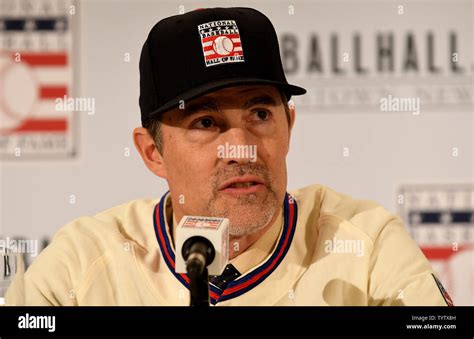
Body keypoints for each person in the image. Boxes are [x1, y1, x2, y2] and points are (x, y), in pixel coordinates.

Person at [5, 7, 452, 306]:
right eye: (205, 122)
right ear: (152, 152)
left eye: (259, 113)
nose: (242, 148)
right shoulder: (83, 265)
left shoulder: (367, 250)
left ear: (289, 126)